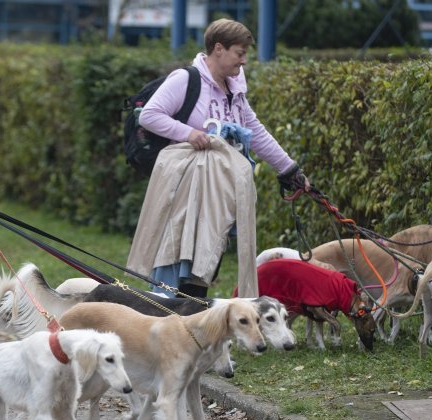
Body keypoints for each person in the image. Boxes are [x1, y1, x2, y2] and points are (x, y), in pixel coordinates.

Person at [130, 18, 310, 298]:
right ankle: (164, 314)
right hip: (186, 190)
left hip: (219, 193)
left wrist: (289, 169)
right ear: (218, 49)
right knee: (178, 255)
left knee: (206, 259)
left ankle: (189, 317)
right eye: (240, 53)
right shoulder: (186, 79)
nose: (244, 61)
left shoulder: (235, 91)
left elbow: (256, 132)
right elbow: (150, 115)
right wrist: (189, 133)